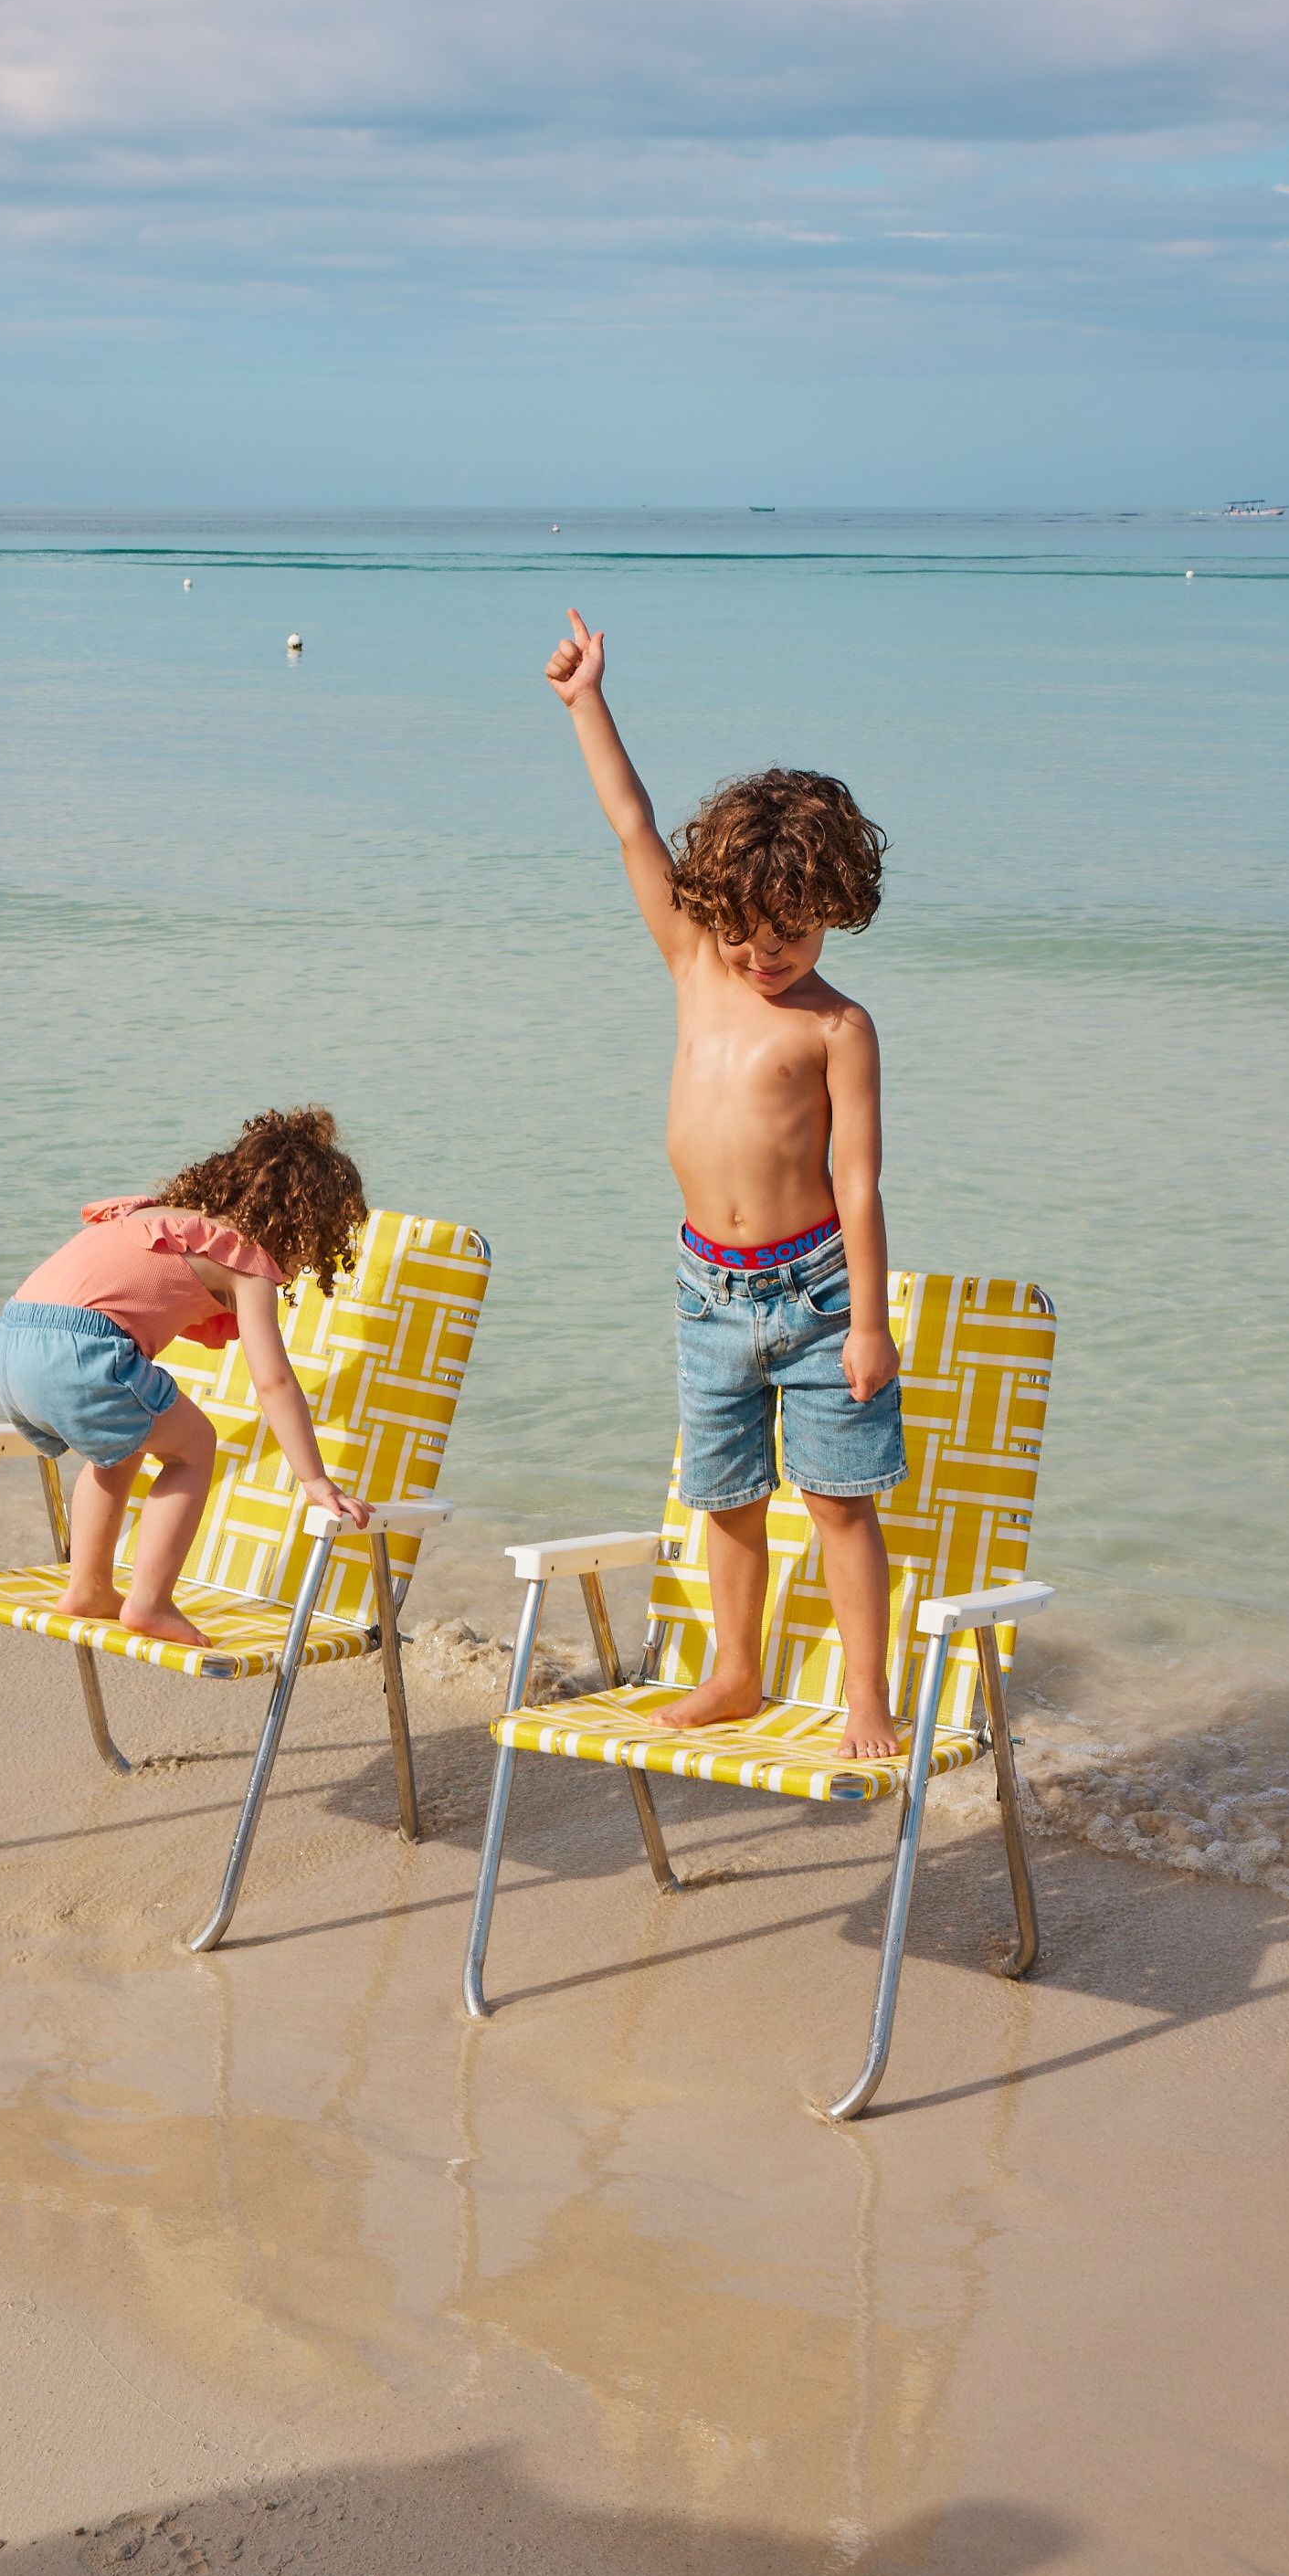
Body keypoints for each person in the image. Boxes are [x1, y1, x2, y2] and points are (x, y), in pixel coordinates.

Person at [544, 610, 906, 1758]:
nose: (766, 956)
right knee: (727, 1499)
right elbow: (630, 822)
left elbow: (859, 1182)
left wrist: (869, 1324)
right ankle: (736, 1673)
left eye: (792, 936)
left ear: (834, 909)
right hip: (707, 1291)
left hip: (813, 1296)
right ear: (716, 914)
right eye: (750, 934)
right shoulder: (696, 963)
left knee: (839, 1506)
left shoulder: (839, 1026)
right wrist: (586, 701)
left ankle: (864, 1700)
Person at [0, 1106, 371, 1646]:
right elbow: (274, 1382)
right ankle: (150, 1602)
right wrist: (314, 1481)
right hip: (80, 1352)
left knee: (117, 1448)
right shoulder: (245, 1258)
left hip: (10, 1342)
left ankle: (88, 1586)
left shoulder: (151, 1215)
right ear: (303, 1224)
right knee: (194, 1445)